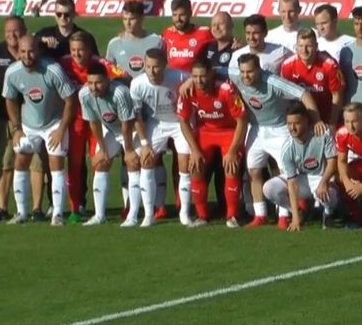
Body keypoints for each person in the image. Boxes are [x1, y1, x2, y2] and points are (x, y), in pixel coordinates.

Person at [228, 53, 321, 228]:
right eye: (243, 72)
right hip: (256, 129)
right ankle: (260, 215)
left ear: (259, 69)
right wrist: (188, 83)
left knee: (285, 172)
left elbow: (303, 94)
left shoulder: (273, 82)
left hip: (279, 130)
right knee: (253, 170)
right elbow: (214, 71)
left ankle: (284, 215)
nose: (245, 76)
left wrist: (316, 120)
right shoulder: (235, 75)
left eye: (250, 72)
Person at [2, 35, 77, 226]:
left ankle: (57, 214)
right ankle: (21, 213)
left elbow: (70, 100)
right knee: (20, 161)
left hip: (54, 123)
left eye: (31, 51)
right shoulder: (12, 72)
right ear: (18, 52)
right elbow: (10, 99)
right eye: (23, 51)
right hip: (28, 125)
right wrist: (17, 128)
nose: (27, 56)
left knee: (56, 163)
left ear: (39, 50)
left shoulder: (53, 70)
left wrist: (61, 129)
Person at [60, 31, 125, 223]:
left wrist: (111, 89)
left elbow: (124, 76)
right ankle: (75, 208)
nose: (77, 54)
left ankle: (100, 211)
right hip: (77, 121)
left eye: (81, 50)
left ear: (89, 50)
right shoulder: (63, 63)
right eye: (73, 49)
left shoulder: (100, 64)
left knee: (99, 162)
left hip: (99, 121)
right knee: (75, 163)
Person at [177, 60, 248, 228]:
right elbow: (183, 121)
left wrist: (233, 151)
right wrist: (194, 150)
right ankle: (202, 216)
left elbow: (242, 120)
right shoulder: (187, 90)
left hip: (229, 132)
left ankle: (232, 216)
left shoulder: (227, 90)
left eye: (202, 76)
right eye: (195, 77)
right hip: (205, 132)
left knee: (231, 167)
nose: (199, 81)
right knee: (195, 168)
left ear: (211, 74)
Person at [130, 48, 191, 224]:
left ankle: (184, 214)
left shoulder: (179, 76)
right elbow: (137, 116)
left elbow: (198, 77)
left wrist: (190, 82)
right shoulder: (137, 84)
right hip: (155, 124)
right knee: (146, 161)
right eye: (148, 66)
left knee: (184, 165)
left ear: (165, 65)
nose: (152, 71)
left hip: (179, 123)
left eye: (156, 67)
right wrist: (144, 143)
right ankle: (149, 215)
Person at [78, 62, 143, 227]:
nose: (94, 87)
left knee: (133, 165)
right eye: (90, 83)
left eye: (98, 83)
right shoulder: (84, 94)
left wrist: (128, 150)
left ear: (107, 80)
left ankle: (133, 215)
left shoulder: (119, 93)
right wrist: (102, 149)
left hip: (131, 130)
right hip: (111, 130)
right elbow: (93, 122)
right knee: (101, 163)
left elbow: (126, 123)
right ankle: (99, 215)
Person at [263, 103, 339, 231]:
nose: (292, 128)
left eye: (296, 123)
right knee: (269, 188)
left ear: (306, 121)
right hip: (301, 180)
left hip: (320, 178)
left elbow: (332, 163)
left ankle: (328, 214)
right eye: (289, 124)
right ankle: (298, 212)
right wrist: (295, 217)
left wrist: (324, 182)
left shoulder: (323, 135)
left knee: (330, 196)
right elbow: (292, 183)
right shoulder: (287, 147)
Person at [0, 17, 27, 220]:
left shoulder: (32, 50)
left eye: (16, 30)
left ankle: (37, 208)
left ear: (24, 31)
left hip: (32, 118)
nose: (12, 35)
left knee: (38, 165)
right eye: (8, 31)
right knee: (6, 162)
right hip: (6, 118)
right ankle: (2, 207)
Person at [280, 29, 344, 128]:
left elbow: (337, 95)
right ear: (296, 46)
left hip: (325, 120)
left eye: (309, 46)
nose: (304, 50)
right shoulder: (287, 66)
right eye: (301, 46)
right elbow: (284, 96)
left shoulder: (329, 65)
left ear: (316, 46)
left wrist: (332, 124)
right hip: (299, 123)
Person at [106, 0, 165, 78]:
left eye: (132, 19)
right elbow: (108, 70)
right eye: (125, 19)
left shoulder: (157, 41)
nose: (128, 23)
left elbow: (165, 67)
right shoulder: (114, 44)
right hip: (123, 85)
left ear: (142, 18)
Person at [162, 0, 213, 72]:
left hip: (195, 78)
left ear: (190, 13)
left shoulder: (204, 33)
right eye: (174, 15)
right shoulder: (167, 33)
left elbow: (222, 44)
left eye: (182, 15)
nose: (178, 19)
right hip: (172, 78)